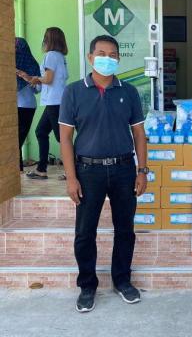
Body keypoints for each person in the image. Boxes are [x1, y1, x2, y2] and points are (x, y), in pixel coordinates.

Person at [59, 35, 148, 313]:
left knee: (125, 230)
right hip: (88, 171)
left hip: (124, 169)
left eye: (112, 54)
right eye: (100, 53)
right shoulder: (74, 92)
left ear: (118, 59)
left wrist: (142, 170)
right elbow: (65, 138)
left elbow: (139, 134)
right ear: (90, 58)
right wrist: (71, 177)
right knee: (85, 232)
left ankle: (122, 281)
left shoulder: (129, 92)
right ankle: (87, 286)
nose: (106, 59)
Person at [26, 27, 69, 180]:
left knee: (61, 137)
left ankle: (72, 171)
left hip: (54, 102)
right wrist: (34, 79)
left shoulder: (50, 56)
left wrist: (36, 78)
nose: (43, 40)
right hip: (56, 101)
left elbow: (48, 79)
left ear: (49, 39)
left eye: (45, 37)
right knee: (41, 131)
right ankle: (41, 169)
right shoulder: (61, 57)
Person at [15, 37, 41, 172]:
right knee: (12, 140)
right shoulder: (6, 64)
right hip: (10, 107)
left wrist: (26, 77)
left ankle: (17, 170)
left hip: (26, 106)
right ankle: (17, 170)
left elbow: (38, 89)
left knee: (17, 140)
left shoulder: (31, 64)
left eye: (17, 47)